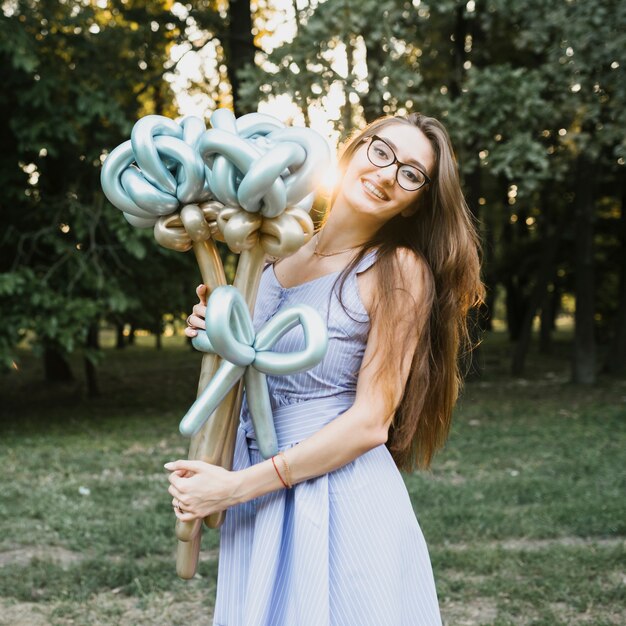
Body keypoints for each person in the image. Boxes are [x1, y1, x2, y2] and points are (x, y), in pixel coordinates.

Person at [165, 112, 485, 626]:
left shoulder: (396, 270)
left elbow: (370, 423)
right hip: (257, 498)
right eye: (381, 152)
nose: (387, 174)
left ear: (417, 201)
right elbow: (249, 373)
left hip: (338, 497)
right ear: (351, 150)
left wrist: (234, 487)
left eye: (410, 174)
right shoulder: (268, 254)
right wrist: (213, 326)